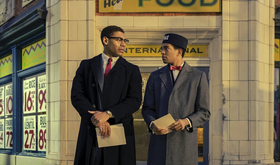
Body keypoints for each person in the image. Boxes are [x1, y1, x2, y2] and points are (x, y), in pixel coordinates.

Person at [71, 25, 142, 165]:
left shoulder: (131, 70)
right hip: (91, 129)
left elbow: (134, 100)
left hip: (119, 131)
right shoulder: (86, 66)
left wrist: (108, 114)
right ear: (105, 40)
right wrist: (95, 117)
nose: (123, 44)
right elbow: (77, 95)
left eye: (125, 40)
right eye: (118, 39)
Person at [142, 33, 211, 165]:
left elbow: (204, 111)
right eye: (161, 48)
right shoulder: (155, 76)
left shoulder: (198, 76)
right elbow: (147, 109)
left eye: (166, 48)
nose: (162, 52)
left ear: (179, 51)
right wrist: (152, 124)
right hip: (159, 146)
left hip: (184, 147)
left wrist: (186, 121)